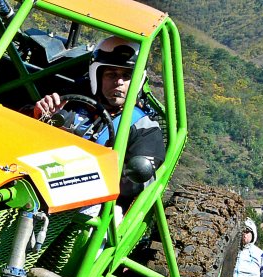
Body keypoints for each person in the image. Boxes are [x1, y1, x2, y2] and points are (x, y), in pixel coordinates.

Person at [32, 36, 165, 211]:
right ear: (97, 76)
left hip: (96, 206)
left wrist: (103, 166)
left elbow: (136, 184)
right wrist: (38, 115)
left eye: (127, 76)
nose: (119, 82)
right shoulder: (69, 104)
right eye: (111, 74)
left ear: (137, 80)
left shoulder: (144, 128)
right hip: (41, 187)